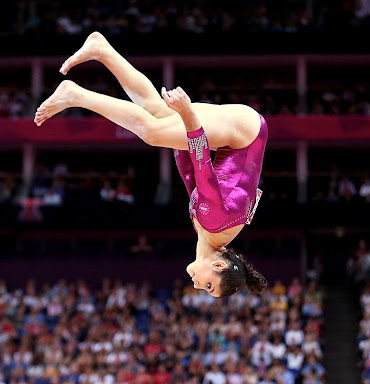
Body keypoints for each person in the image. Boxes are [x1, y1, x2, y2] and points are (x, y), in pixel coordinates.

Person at [34, 32, 267, 298]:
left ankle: (102, 50)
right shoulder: (214, 224)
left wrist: (181, 131)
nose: (197, 286)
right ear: (218, 264)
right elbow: (202, 168)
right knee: (152, 132)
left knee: (155, 112)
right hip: (244, 135)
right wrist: (188, 115)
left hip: (245, 133)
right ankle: (75, 94)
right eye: (209, 285)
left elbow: (190, 173)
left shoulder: (208, 232)